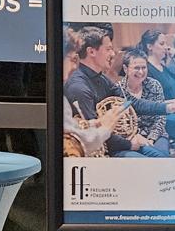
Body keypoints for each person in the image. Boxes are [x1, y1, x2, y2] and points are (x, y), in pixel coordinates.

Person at [61, 28, 146, 157]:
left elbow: (128, 101)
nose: (74, 66)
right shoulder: (78, 87)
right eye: (72, 59)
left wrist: (96, 123)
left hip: (111, 143)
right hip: (101, 150)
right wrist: (107, 127)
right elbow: (82, 141)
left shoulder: (102, 78)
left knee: (157, 155)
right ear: (91, 52)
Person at [118, 51, 175, 158]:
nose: (141, 72)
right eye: (136, 68)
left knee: (161, 155)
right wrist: (135, 137)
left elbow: (160, 118)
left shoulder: (154, 85)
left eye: (144, 67)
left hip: (156, 134)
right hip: (132, 137)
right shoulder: (118, 90)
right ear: (125, 69)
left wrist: (151, 139)